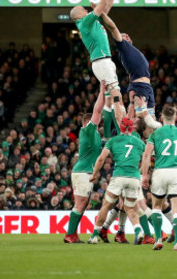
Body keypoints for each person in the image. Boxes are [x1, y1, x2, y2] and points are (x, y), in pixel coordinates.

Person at [88, 118, 155, 245]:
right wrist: (144, 174)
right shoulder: (140, 143)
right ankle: (138, 231)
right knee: (130, 208)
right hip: (134, 178)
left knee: (106, 206)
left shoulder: (113, 141)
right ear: (131, 129)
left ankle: (95, 236)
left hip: (119, 176)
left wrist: (94, 174)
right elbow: (147, 158)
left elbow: (101, 159)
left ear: (121, 128)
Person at [69, 0, 124, 123]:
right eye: (83, 9)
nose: (86, 10)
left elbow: (107, 6)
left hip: (103, 61)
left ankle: (110, 130)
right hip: (102, 61)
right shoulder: (84, 22)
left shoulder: (91, 22)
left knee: (110, 99)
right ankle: (125, 126)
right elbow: (101, 5)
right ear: (79, 15)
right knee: (116, 95)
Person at [141, 105, 177, 251]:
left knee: (157, 207)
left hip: (159, 172)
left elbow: (146, 155)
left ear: (161, 118)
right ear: (176, 118)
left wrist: (145, 174)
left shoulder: (155, 133)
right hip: (176, 173)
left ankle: (158, 239)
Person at [97, 11, 159, 130]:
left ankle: (131, 130)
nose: (127, 36)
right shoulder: (123, 48)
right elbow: (113, 28)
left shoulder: (131, 50)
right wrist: (103, 15)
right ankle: (126, 131)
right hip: (139, 86)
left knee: (150, 119)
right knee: (142, 118)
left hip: (146, 86)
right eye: (123, 35)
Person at [63, 81, 104, 244]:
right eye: (95, 121)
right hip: (82, 172)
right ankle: (70, 234)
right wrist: (102, 90)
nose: (98, 122)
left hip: (86, 172)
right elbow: (98, 110)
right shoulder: (87, 131)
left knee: (83, 203)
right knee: (80, 203)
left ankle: (72, 234)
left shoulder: (96, 135)